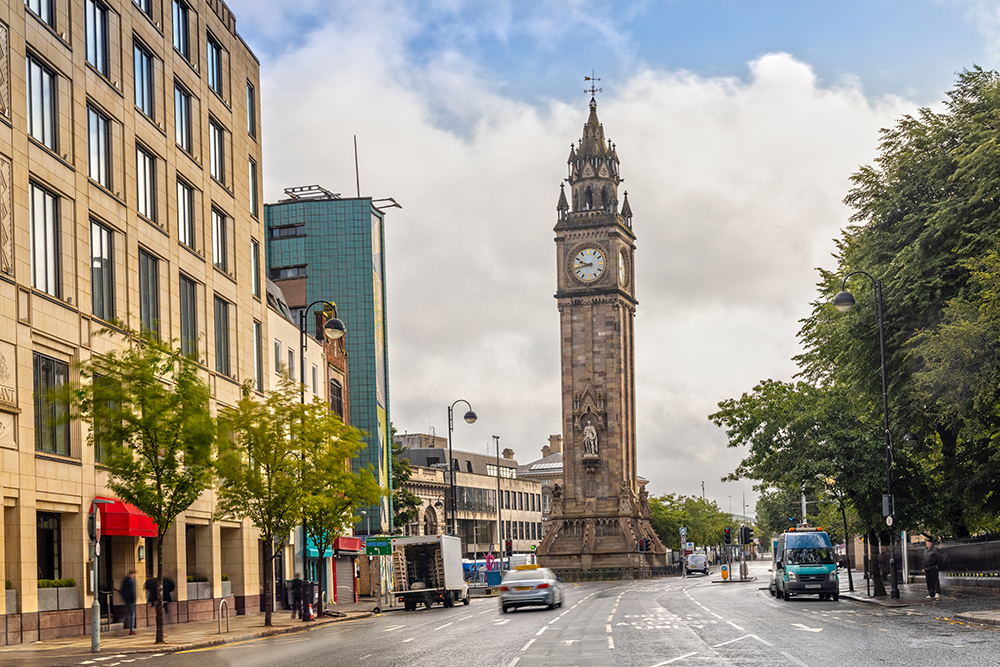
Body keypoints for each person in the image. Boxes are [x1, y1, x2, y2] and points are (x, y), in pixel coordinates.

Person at [121, 570, 137, 635]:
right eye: (134, 574)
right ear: (132, 574)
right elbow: (130, 591)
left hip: (127, 600)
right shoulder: (129, 581)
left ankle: (130, 628)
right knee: (132, 614)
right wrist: (132, 600)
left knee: (129, 614)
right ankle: (131, 629)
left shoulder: (126, 580)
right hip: (130, 600)